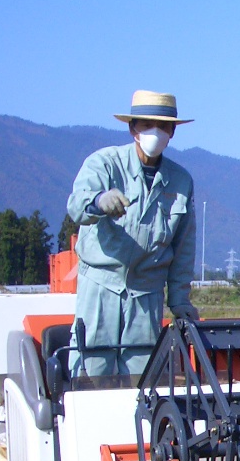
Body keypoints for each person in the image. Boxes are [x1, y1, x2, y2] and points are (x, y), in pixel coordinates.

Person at [66, 90, 200, 377]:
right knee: (92, 372)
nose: (156, 132)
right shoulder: (104, 163)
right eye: (147, 125)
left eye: (163, 126)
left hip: (147, 294)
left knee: (142, 379)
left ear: (173, 132)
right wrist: (99, 201)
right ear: (132, 128)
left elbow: (183, 248)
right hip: (101, 288)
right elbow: (76, 205)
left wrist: (179, 300)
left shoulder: (181, 181)